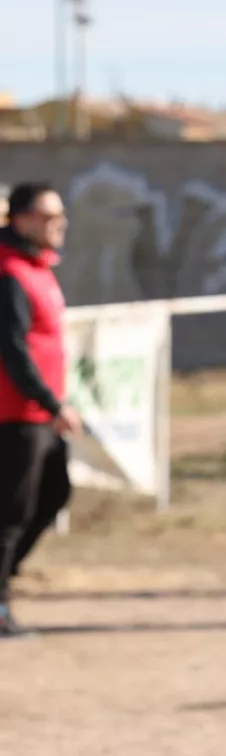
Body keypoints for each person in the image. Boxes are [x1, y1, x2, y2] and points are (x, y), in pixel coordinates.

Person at [0, 183, 80, 638]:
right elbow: (12, 349)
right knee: (9, 514)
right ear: (24, 219)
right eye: (51, 217)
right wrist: (51, 402)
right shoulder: (10, 272)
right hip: (16, 414)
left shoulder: (39, 268)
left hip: (40, 413)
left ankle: (4, 582)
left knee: (53, 494)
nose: (61, 224)